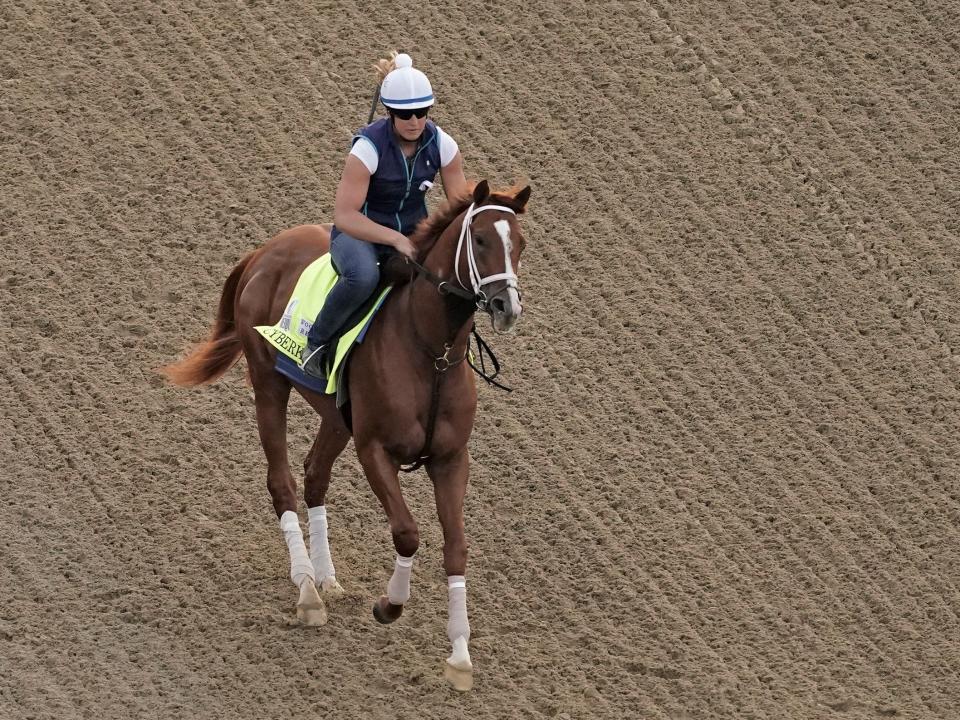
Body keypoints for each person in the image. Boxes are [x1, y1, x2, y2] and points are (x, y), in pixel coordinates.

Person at [300, 52, 468, 379]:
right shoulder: (367, 150)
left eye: (422, 112)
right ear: (390, 112)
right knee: (364, 277)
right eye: (405, 114)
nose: (415, 121)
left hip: (410, 236)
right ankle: (316, 343)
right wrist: (395, 238)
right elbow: (346, 216)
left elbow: (460, 206)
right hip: (358, 235)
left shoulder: (444, 146)